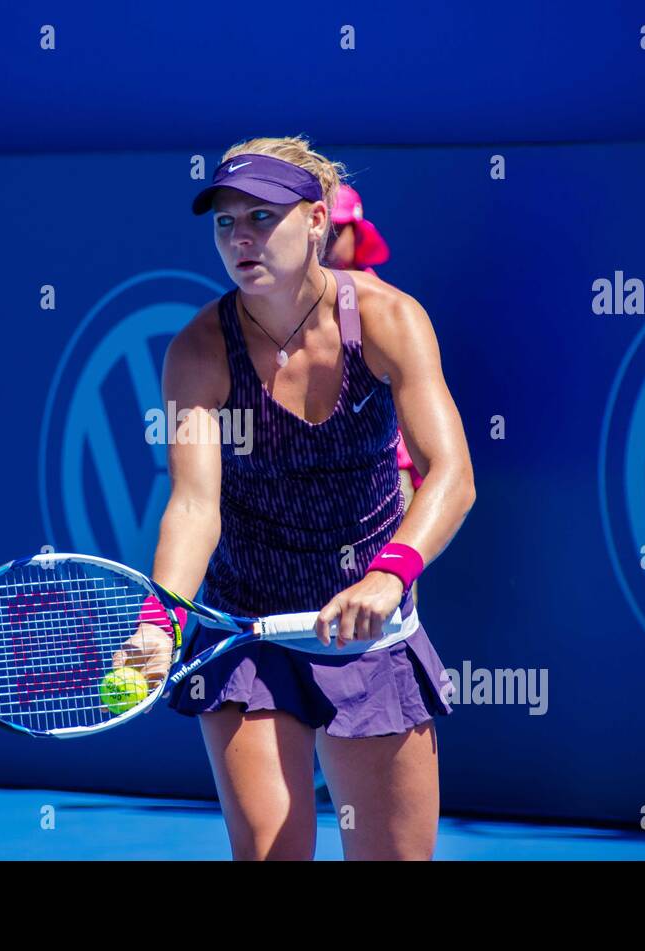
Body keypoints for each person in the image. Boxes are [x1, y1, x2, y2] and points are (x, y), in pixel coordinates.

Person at [123, 136, 475, 860]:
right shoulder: (198, 352)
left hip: (369, 624)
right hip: (246, 627)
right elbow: (194, 506)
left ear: (316, 220)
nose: (240, 237)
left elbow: (452, 474)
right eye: (225, 221)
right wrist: (160, 621)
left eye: (262, 216)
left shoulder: (387, 319)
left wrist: (389, 572)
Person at [324, 183, 422, 512]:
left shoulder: (386, 308)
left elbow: (413, 401)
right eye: (319, 229)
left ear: (357, 234)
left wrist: (420, 478)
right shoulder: (278, 308)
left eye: (335, 230)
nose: (325, 241)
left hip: (384, 479)